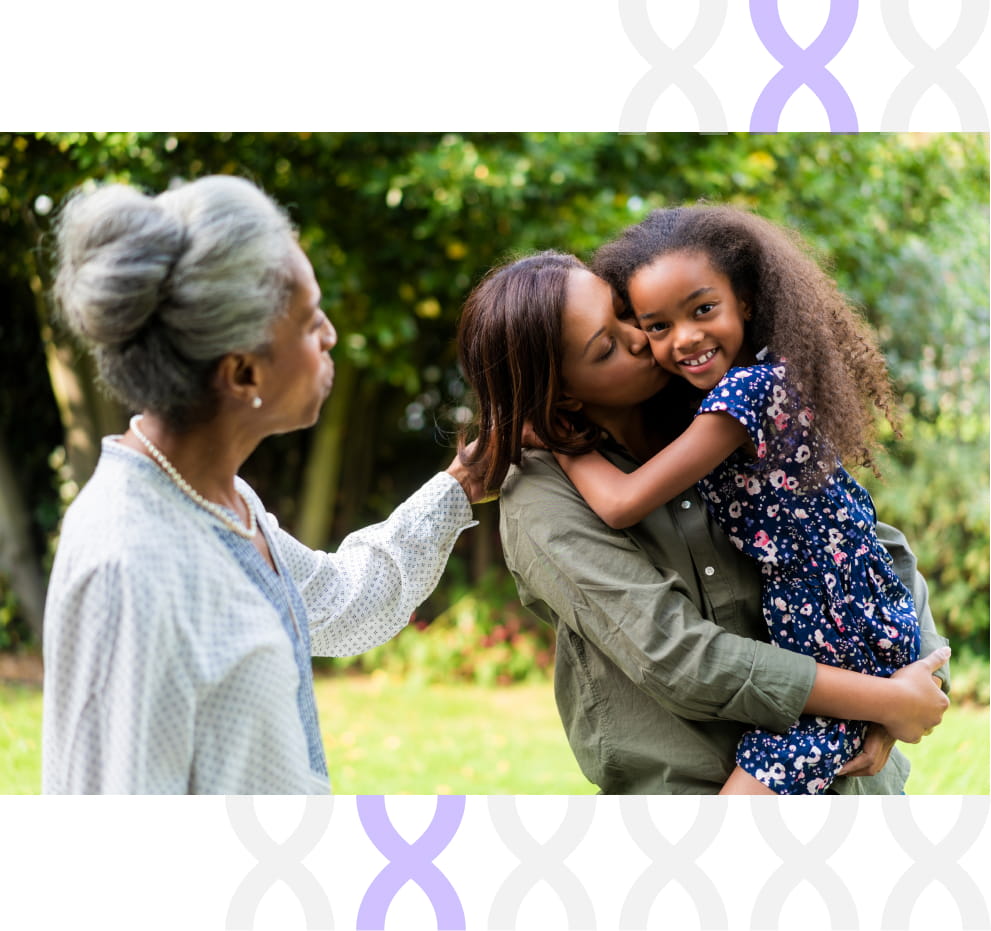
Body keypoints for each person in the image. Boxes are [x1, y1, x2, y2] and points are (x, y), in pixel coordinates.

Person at [42, 174, 489, 794]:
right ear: (243, 372)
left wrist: (462, 482)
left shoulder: (220, 498)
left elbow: (342, 604)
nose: (330, 335)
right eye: (309, 322)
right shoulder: (129, 561)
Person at [456, 249, 950, 795]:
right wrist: (883, 702)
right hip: (699, 802)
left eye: (626, 313)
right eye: (607, 347)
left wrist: (905, 694)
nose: (642, 338)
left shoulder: (717, 407)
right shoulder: (541, 498)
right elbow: (677, 656)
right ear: (563, 394)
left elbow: (870, 545)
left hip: (855, 788)